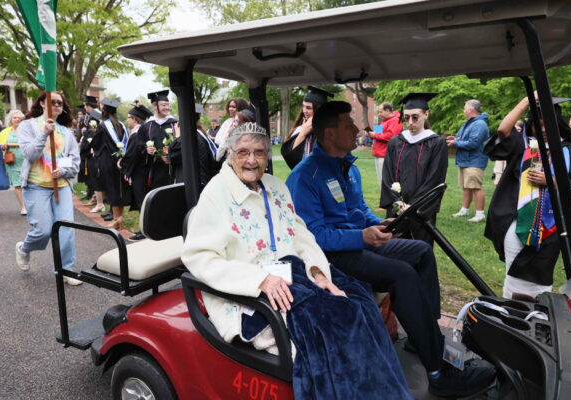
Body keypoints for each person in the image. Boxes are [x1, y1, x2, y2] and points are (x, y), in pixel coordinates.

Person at [181, 122, 412, 399]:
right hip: (251, 287)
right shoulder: (215, 195)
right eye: (243, 152)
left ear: (267, 155)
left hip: (295, 272)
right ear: (230, 153)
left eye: (259, 152)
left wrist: (318, 273)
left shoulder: (275, 186)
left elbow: (300, 234)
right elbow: (199, 257)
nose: (252, 160)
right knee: (339, 317)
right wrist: (260, 279)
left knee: (360, 299)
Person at [286, 101, 494, 398]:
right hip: (330, 257)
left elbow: (358, 211)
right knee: (401, 273)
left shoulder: (346, 168)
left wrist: (382, 224)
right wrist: (362, 237)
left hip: (355, 243)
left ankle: (424, 335)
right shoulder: (306, 177)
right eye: (349, 125)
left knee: (421, 251)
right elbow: (313, 236)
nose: (358, 130)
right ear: (330, 134)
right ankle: (437, 372)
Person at [485, 95, 571, 300]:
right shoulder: (523, 147)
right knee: (513, 269)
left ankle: (533, 312)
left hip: (552, 227)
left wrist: (552, 180)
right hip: (518, 220)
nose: (544, 129)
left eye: (549, 124)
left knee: (539, 275)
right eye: (538, 125)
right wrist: (524, 101)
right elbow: (503, 131)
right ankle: (513, 310)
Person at [14, 92, 82, 286]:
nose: (57, 105)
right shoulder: (28, 126)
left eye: (60, 102)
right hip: (36, 186)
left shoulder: (67, 132)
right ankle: (24, 248)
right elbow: (29, 153)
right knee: (43, 231)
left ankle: (66, 269)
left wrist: (63, 170)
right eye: (53, 102)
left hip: (61, 186)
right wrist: (44, 133)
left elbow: (75, 164)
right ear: (43, 103)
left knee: (66, 228)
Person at [379, 93, 448, 245]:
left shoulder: (436, 143)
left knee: (420, 248)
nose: (410, 122)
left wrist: (412, 207)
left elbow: (434, 178)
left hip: (421, 209)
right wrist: (398, 203)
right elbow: (387, 176)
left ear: (426, 114)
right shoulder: (395, 142)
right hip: (397, 208)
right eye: (406, 117)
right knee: (395, 248)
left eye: (415, 117)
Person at [122, 90, 177, 241]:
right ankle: (149, 229)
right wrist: (146, 150)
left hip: (172, 170)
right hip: (152, 171)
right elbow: (139, 145)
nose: (167, 108)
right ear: (155, 106)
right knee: (151, 200)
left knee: (170, 198)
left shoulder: (175, 123)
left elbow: (181, 143)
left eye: (168, 105)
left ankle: (169, 228)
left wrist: (171, 156)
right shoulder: (148, 126)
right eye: (164, 105)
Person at [90, 98, 131, 231]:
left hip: (108, 161)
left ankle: (115, 220)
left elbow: (95, 143)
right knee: (120, 188)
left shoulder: (103, 126)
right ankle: (120, 219)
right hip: (121, 161)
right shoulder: (122, 125)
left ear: (104, 111)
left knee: (112, 189)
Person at [447, 99, 490, 222]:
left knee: (476, 187)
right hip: (466, 160)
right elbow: (462, 137)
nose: (464, 110)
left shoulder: (479, 124)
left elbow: (473, 143)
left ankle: (480, 214)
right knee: (466, 186)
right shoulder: (469, 123)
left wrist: (455, 142)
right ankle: (464, 210)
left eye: (465, 108)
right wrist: (455, 138)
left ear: (470, 109)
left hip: (474, 161)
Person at [169, 104, 220, 189]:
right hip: (203, 179)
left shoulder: (188, 137)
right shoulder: (201, 134)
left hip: (192, 182)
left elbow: (174, 157)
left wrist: (177, 137)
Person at [281, 86, 333, 169]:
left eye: (308, 108)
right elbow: (291, 158)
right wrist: (303, 132)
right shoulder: (300, 129)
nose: (304, 110)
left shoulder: (330, 132)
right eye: (303, 106)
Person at [0, 110, 27, 214]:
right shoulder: (5, 132)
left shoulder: (27, 131)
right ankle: (23, 207)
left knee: (29, 184)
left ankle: (31, 205)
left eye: (19, 118)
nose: (17, 119)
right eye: (15, 117)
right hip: (12, 161)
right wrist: (3, 147)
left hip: (28, 161)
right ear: (11, 120)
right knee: (17, 185)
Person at [368, 102, 403, 187]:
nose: (379, 114)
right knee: (381, 181)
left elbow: (391, 137)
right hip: (379, 153)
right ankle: (384, 199)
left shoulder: (395, 120)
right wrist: (372, 135)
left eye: (381, 112)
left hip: (385, 155)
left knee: (385, 182)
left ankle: (388, 199)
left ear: (387, 110)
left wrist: (375, 134)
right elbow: (378, 134)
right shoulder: (384, 122)